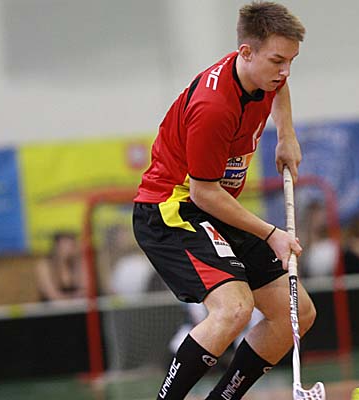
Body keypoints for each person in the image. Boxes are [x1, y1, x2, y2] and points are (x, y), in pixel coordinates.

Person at [132, 3, 315, 399]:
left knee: (296, 314)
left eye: (291, 61)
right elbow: (203, 192)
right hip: (172, 209)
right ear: (245, 52)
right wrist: (271, 234)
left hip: (213, 208)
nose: (285, 71)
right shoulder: (213, 107)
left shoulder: (265, 77)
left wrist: (286, 135)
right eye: (278, 61)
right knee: (234, 309)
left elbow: (279, 89)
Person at [35, 231, 86, 301]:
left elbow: (85, 289)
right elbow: (52, 295)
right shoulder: (44, 265)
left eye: (73, 244)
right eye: (66, 244)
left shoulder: (78, 263)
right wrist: (71, 300)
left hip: (76, 305)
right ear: (57, 246)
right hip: (52, 306)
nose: (71, 248)